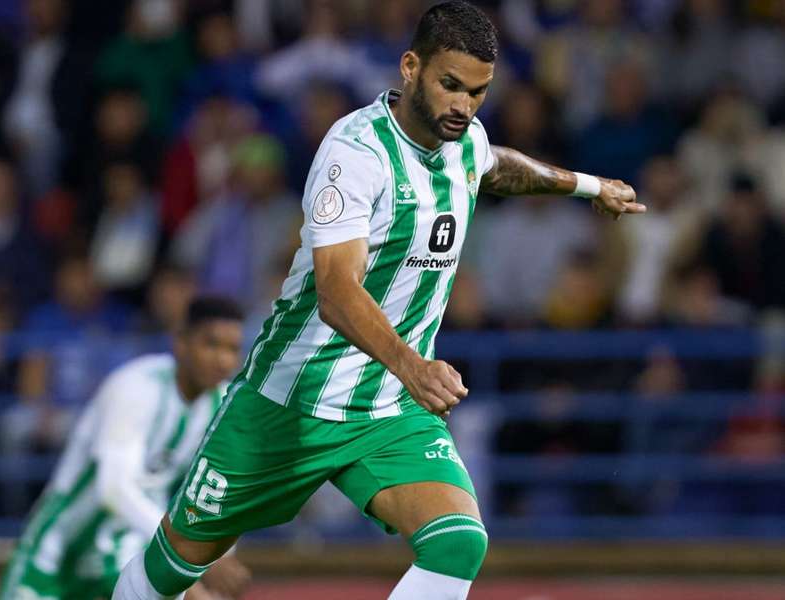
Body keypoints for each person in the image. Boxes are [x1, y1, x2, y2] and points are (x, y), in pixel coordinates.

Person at [112, 3, 643, 600]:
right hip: (292, 399)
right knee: (175, 561)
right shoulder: (355, 154)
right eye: (450, 86)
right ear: (411, 67)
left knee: (458, 541)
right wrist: (413, 365)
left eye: (478, 92)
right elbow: (337, 292)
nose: (463, 106)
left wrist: (588, 186)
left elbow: (495, 167)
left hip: (387, 406)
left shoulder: (465, 139)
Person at [0, 297, 251, 600]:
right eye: (211, 345)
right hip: (58, 552)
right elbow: (113, 490)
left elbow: (219, 491)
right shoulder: (137, 387)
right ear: (181, 342)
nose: (223, 360)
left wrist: (218, 554)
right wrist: (192, 558)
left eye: (232, 349)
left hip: (126, 550)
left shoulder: (224, 405)